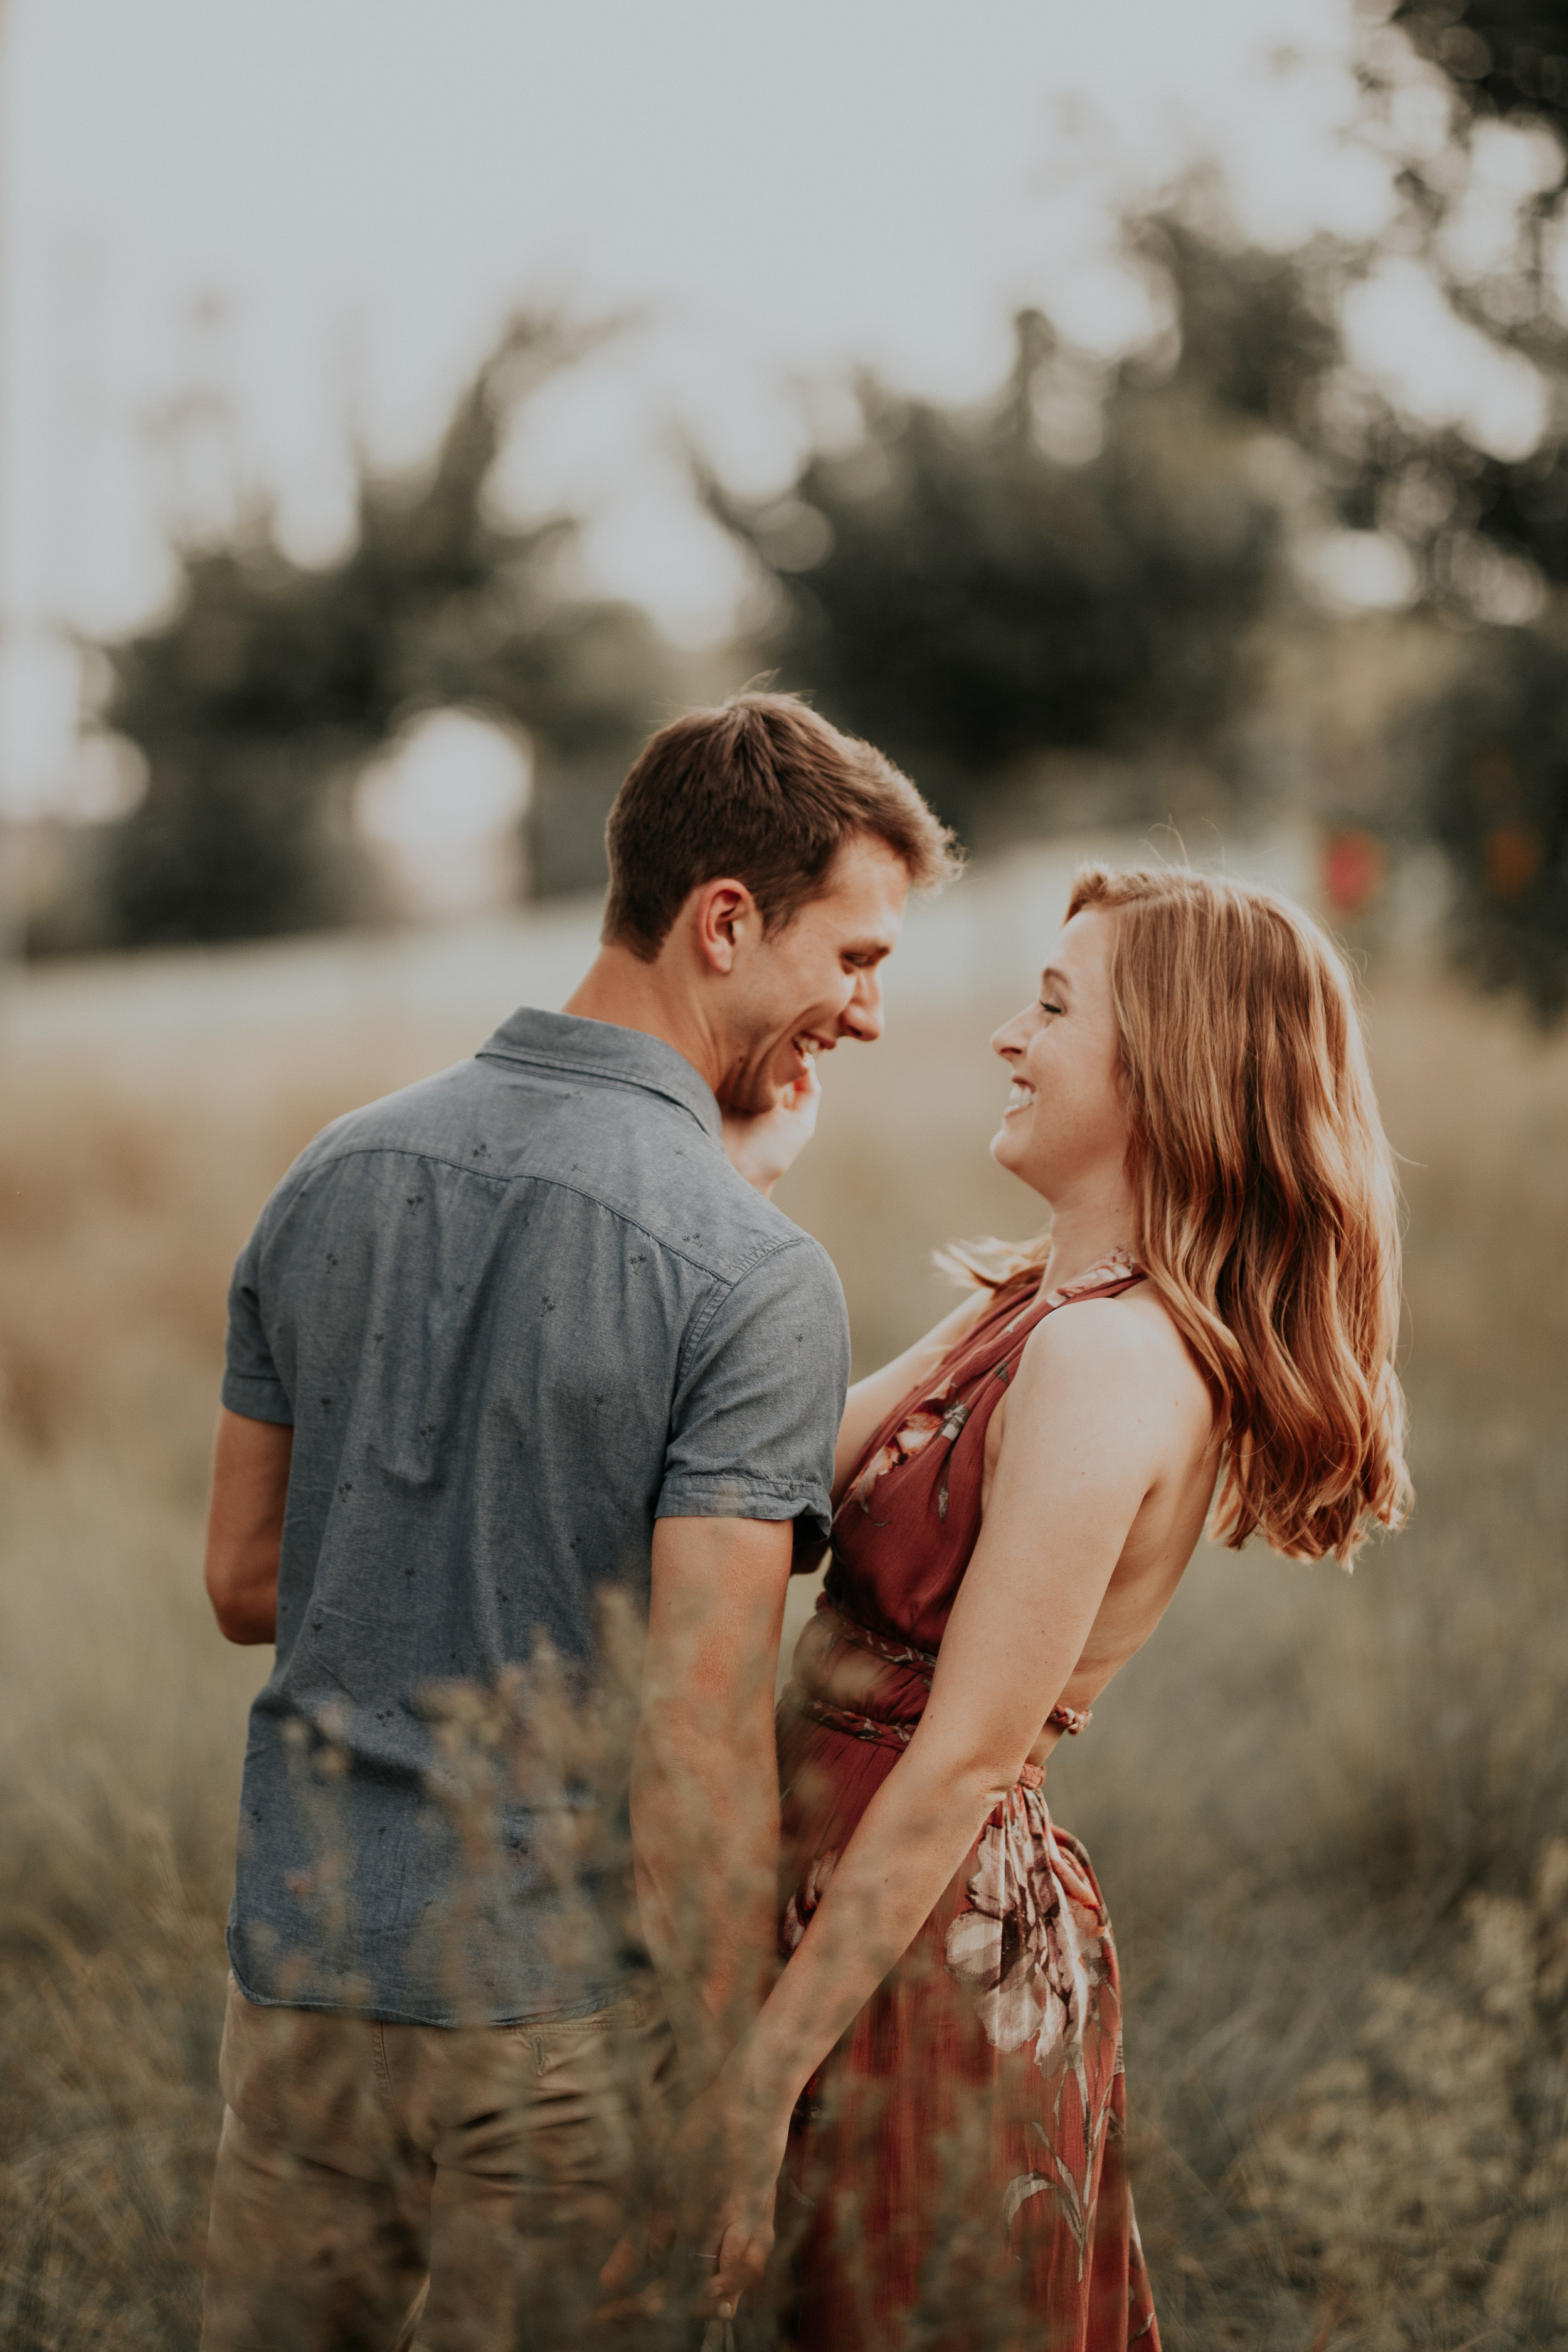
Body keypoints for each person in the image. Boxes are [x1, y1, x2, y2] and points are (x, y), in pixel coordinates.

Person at [196, 691, 958, 2351]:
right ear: (726, 919)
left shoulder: (331, 1171)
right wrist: (713, 2096)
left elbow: (247, 1578)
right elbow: (695, 1728)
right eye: (857, 956)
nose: (871, 1010)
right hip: (551, 2031)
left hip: (301, 1988)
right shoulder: (751, 1279)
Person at [666, 862, 1411, 2349]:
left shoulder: (1110, 1361)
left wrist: (754, 2095)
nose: (1009, 1035)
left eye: (1054, 1008)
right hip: (839, 1922)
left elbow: (955, 1766)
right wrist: (733, 1184)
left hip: (918, 1954)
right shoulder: (1034, 1298)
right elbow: (775, 1479)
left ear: (1169, 1070)